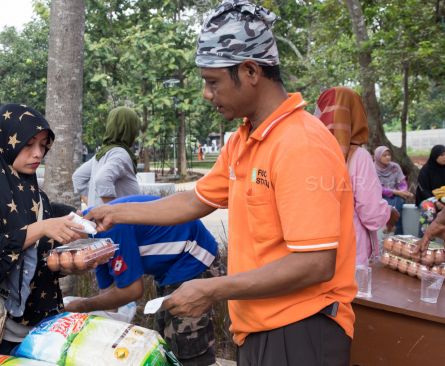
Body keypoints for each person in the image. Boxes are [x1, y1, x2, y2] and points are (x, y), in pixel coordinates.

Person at [86, 2, 356, 364]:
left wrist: (212, 289)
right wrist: (116, 214)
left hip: (302, 327)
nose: (206, 94)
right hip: (257, 326)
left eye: (212, 82)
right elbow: (193, 202)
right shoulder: (243, 141)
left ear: (250, 71)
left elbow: (315, 264)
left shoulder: (300, 143)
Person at [0, 104, 84, 363]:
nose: (38, 153)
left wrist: (70, 258)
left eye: (43, 145)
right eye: (29, 144)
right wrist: (41, 228)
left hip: (33, 329)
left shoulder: (34, 194)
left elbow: (36, 259)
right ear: (6, 141)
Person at [63, 195, 219, 366]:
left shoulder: (108, 228)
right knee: (162, 343)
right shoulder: (92, 242)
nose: (70, 262)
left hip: (194, 259)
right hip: (169, 270)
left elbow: (132, 290)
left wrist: (82, 306)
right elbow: (107, 297)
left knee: (185, 344)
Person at [315, 86, 399, 264]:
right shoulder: (358, 157)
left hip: (315, 251)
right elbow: (371, 215)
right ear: (356, 114)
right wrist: (389, 212)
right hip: (351, 250)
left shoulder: (309, 153)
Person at [72, 106, 141, 207]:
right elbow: (102, 180)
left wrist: (93, 205)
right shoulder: (120, 154)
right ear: (129, 129)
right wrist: (111, 211)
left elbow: (78, 177)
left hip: (103, 220)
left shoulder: (102, 154)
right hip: (118, 221)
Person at [374, 146, 413, 235]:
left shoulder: (395, 166)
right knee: (392, 203)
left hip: (396, 196)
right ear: (378, 157)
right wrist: (396, 192)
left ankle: (391, 226)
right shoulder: (373, 168)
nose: (388, 157)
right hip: (380, 196)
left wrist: (403, 191)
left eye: (389, 155)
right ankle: (398, 232)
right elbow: (377, 188)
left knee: (397, 201)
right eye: (384, 155)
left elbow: (402, 182)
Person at [415, 145, 445, 235]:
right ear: (435, 156)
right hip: (428, 199)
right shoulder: (426, 170)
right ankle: (424, 238)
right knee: (429, 210)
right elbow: (423, 189)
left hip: (443, 199)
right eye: (442, 155)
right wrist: (436, 202)